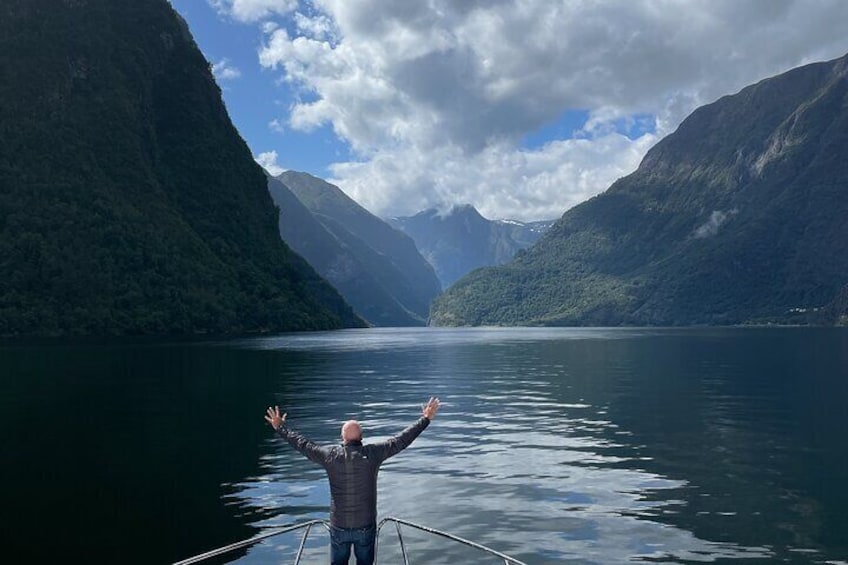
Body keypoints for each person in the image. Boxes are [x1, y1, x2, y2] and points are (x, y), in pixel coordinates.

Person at [264, 397, 441, 565]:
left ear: (342, 438)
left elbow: (302, 444)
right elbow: (401, 440)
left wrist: (281, 428)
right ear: (362, 438)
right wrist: (425, 419)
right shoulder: (373, 454)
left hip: (339, 527)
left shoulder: (330, 456)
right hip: (365, 527)